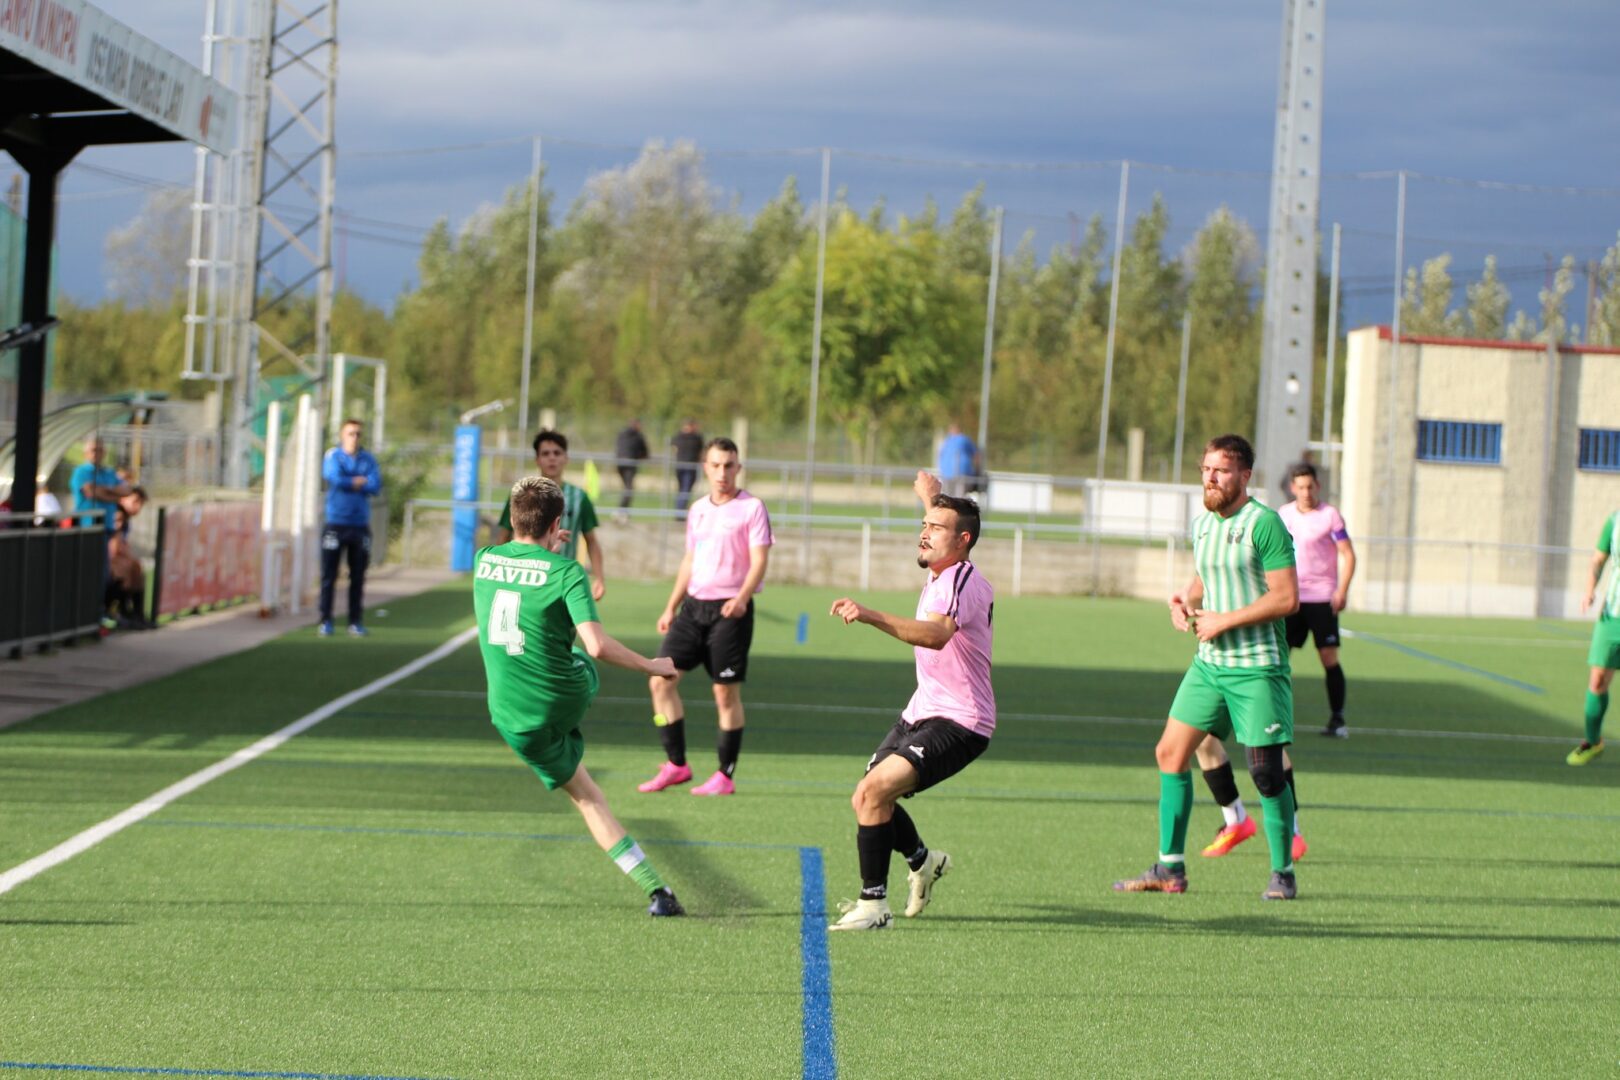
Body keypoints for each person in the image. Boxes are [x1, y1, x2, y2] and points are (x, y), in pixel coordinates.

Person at [473, 476, 685, 917]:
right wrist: (653, 665)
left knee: (587, 797)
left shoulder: (484, 559)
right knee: (580, 659)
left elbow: (519, 568)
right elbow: (598, 646)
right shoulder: (568, 570)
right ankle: (658, 891)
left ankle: (659, 894)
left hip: (511, 718)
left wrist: (540, 550)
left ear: (512, 519)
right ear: (556, 524)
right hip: (566, 693)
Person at [1113, 434, 1301, 901]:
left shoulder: (1265, 524)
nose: (1210, 478)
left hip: (1258, 668)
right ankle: (1170, 869)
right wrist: (1184, 602)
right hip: (1210, 666)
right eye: (1205, 469)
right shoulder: (1202, 525)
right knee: (1170, 754)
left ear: (1244, 477)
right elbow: (1204, 577)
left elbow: (1287, 597)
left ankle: (1283, 872)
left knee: (1265, 773)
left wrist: (1224, 620)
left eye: (1221, 470)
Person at [825, 472, 994, 931]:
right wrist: (930, 499)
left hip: (962, 721)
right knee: (868, 797)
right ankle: (923, 861)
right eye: (923, 524)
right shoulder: (943, 569)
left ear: (961, 541)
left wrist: (870, 614)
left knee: (874, 792)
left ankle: (874, 906)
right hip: (922, 709)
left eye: (935, 529)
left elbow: (937, 635)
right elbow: (945, 517)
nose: (924, 532)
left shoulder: (961, 580)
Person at [639, 437, 773, 796]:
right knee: (659, 680)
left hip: (731, 611)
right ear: (705, 468)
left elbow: (759, 560)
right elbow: (690, 560)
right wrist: (670, 606)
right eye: (715, 465)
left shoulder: (752, 508)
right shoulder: (698, 509)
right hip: (693, 609)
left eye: (729, 465)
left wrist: (742, 598)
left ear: (738, 468)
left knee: (724, 695)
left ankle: (724, 775)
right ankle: (677, 765)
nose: (722, 473)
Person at [1278, 462, 1356, 738]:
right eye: (1300, 487)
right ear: (1292, 488)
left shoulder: (1330, 516)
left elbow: (1348, 554)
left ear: (1318, 486)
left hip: (1323, 598)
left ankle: (1337, 720)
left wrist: (1341, 590)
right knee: (1279, 659)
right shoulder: (1283, 515)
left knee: (1328, 657)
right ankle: (1275, 718)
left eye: (1310, 486)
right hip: (1291, 599)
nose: (1306, 492)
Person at [494, 430, 606, 601]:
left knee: (567, 626)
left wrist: (599, 578)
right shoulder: (520, 494)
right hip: (525, 577)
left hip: (562, 578)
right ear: (537, 459)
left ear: (565, 458)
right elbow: (503, 535)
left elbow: (591, 540)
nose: (552, 458)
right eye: (545, 453)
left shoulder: (579, 497)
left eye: (557, 453)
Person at [319, 418, 382, 637]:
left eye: (358, 434)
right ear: (342, 435)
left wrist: (355, 481)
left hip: (359, 525)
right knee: (329, 575)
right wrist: (359, 481)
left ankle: (355, 621)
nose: (354, 438)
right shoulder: (333, 456)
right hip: (336, 522)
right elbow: (334, 479)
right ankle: (325, 620)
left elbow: (375, 485)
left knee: (358, 576)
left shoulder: (368, 459)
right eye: (350, 433)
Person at [1570, 509, 1620, 765]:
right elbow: (1598, 560)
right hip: (1613, 616)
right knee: (1598, 680)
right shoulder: (1614, 521)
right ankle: (1593, 741)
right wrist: (1589, 590)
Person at [106, 487, 152, 629]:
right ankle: (122, 612)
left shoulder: (126, 520)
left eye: (141, 504)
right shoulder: (117, 514)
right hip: (109, 564)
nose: (137, 507)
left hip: (116, 561)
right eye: (135, 501)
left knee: (136, 567)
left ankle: (136, 614)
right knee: (126, 569)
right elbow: (113, 549)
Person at [70, 436, 131, 540]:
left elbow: (126, 490)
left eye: (99, 450)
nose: (96, 453)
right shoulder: (80, 472)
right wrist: (114, 496)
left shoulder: (109, 472)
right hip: (86, 527)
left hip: (107, 526)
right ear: (86, 453)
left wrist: (105, 489)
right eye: (93, 450)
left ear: (104, 453)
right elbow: (91, 493)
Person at [614, 419, 649, 515]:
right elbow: (645, 453)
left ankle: (622, 511)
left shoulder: (621, 434)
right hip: (630, 464)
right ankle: (622, 511)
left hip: (620, 463)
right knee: (628, 488)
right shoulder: (638, 436)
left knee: (627, 488)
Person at [670, 419, 704, 518]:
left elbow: (674, 448)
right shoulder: (696, 438)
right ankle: (680, 513)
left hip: (683, 465)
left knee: (683, 489)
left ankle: (680, 512)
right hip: (688, 466)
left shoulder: (679, 436)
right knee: (685, 489)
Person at [936, 423, 979, 498]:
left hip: (947, 474)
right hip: (962, 473)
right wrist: (976, 470)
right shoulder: (964, 439)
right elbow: (976, 455)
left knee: (949, 497)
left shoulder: (946, 441)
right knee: (959, 497)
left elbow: (940, 455)